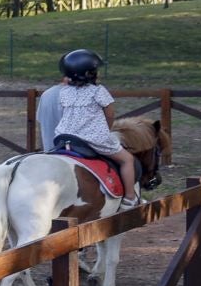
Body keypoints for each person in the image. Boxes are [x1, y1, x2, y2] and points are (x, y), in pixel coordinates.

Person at [51, 49, 140, 205]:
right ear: (89, 74)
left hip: (64, 137)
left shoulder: (64, 92)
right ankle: (130, 198)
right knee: (127, 159)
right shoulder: (99, 91)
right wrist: (106, 129)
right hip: (91, 138)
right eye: (95, 70)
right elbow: (110, 114)